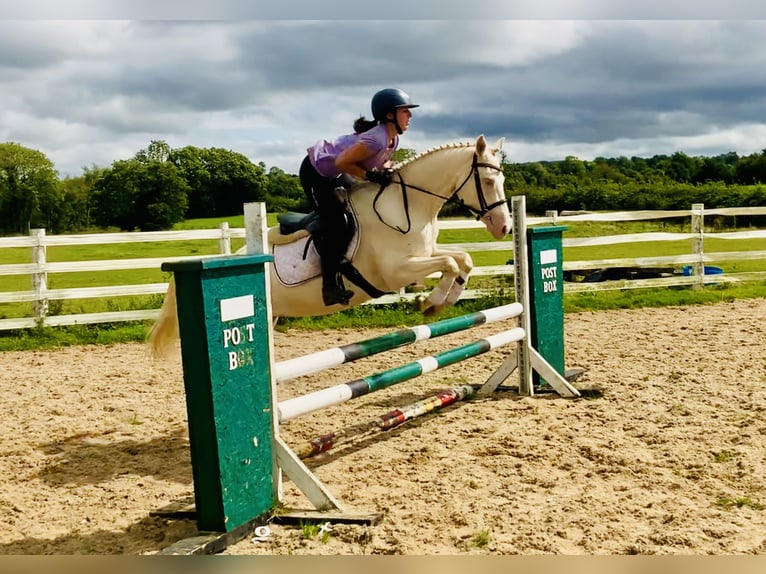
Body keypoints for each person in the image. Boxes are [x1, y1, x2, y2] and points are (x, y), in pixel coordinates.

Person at [298, 87, 418, 306]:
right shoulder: (377, 139)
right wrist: (371, 175)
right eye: (405, 111)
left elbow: (379, 162)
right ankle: (329, 286)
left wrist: (387, 169)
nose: (410, 116)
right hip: (316, 173)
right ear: (389, 115)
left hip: (336, 173)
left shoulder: (392, 140)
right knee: (339, 223)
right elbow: (341, 162)